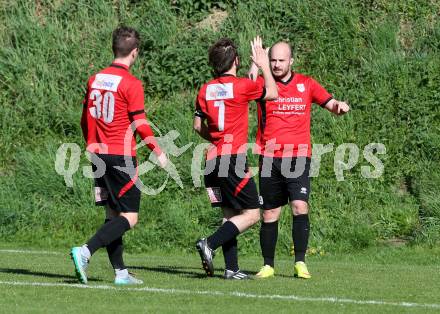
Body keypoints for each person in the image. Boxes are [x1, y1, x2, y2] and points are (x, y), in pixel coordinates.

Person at [70, 26, 167, 285]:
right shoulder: (131, 84)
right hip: (120, 156)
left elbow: (84, 119)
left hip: (98, 154)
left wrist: (91, 142)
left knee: (113, 215)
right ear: (134, 53)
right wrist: (157, 150)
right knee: (130, 217)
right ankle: (86, 251)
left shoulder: (95, 79)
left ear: (114, 48)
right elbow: (140, 124)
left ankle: (121, 273)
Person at [248, 37, 350, 279]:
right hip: (269, 157)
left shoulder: (306, 83)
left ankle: (300, 262)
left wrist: (339, 106)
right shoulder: (263, 84)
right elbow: (246, 87)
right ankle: (268, 265)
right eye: (272, 60)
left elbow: (330, 102)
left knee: (299, 206)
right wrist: (255, 64)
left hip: (298, 157)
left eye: (281, 60)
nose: (276, 64)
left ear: (291, 61)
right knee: (270, 213)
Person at [193, 38, 278, 279]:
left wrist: (220, 137)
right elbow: (272, 92)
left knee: (230, 215)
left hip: (211, 160)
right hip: (233, 160)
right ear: (236, 61)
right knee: (252, 214)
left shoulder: (205, 89)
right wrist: (263, 65)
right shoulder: (242, 86)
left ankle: (231, 269)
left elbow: (198, 126)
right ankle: (209, 243)